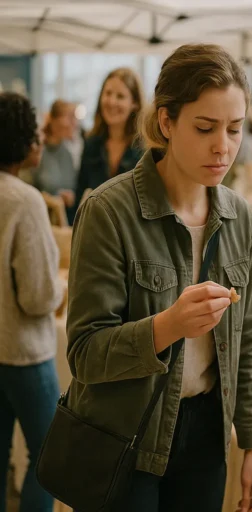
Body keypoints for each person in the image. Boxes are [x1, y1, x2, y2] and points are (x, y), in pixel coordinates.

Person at [64, 44, 252, 512]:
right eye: (205, 127)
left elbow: (249, 337)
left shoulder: (239, 216)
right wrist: (168, 326)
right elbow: (84, 355)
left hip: (206, 435)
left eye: (235, 129)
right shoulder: (108, 211)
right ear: (166, 122)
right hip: (126, 432)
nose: (223, 145)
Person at [0, 92, 64, 512]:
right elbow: (38, 297)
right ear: (23, 143)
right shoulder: (25, 201)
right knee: (48, 457)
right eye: (37, 134)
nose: (41, 142)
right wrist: (62, 288)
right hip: (25, 354)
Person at [74, 67, 144, 207]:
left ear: (134, 104)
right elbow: (80, 198)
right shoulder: (91, 145)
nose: (112, 102)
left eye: (120, 96)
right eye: (108, 93)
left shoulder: (145, 148)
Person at [33, 99, 79, 223]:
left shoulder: (68, 152)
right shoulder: (37, 151)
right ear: (54, 120)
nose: (74, 123)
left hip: (63, 222)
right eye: (70, 117)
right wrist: (54, 199)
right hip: (40, 220)